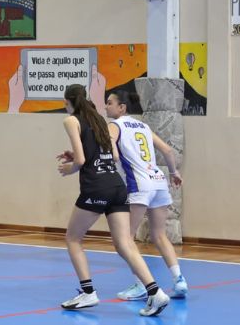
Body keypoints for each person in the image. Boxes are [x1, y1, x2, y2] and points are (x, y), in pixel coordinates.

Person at [57, 84, 169, 317]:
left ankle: (88, 292)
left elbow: (81, 160)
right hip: (117, 186)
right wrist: (79, 155)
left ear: (67, 102)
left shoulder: (71, 120)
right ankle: (155, 292)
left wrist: (70, 167)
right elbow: (113, 155)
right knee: (124, 243)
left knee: (73, 238)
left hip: (96, 187)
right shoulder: (99, 119)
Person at [105, 90, 188, 300]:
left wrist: (111, 154)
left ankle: (142, 284)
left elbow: (110, 142)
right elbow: (168, 150)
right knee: (159, 235)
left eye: (110, 103)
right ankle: (179, 280)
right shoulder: (143, 126)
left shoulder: (115, 125)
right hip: (159, 181)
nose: (106, 106)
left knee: (125, 239)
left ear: (122, 107)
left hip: (139, 184)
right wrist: (174, 173)